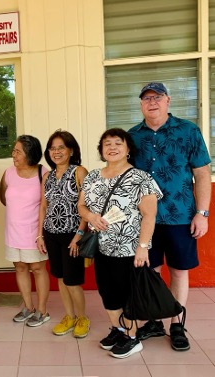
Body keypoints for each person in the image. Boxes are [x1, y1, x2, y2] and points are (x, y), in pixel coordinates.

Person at [129, 82, 212, 351]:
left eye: (157, 97)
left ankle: (177, 324)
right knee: (150, 272)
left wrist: (202, 213)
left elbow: (201, 174)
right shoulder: (133, 136)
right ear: (141, 104)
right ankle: (153, 321)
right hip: (144, 220)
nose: (151, 102)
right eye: (146, 98)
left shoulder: (188, 131)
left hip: (180, 216)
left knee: (178, 272)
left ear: (168, 101)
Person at [78, 128, 162, 359]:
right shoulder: (93, 176)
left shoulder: (141, 178)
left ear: (127, 149)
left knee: (128, 295)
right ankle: (119, 329)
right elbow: (81, 207)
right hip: (101, 247)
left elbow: (149, 215)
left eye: (118, 143)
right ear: (101, 150)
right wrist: (90, 217)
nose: (112, 147)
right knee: (107, 292)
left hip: (128, 249)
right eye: (107, 144)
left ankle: (133, 338)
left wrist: (143, 247)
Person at [36, 130, 90, 337]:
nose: (56, 152)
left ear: (71, 150)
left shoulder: (79, 172)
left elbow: (86, 205)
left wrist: (79, 234)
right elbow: (43, 206)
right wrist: (40, 235)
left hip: (72, 235)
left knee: (73, 280)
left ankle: (83, 318)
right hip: (51, 234)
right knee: (59, 277)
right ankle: (69, 316)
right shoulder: (47, 176)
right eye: (52, 148)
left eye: (61, 147)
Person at [0, 135, 50, 327]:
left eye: (17, 151)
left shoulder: (43, 174)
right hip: (13, 230)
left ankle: (42, 310)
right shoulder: (8, 173)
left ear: (30, 154)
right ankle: (28, 307)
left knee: (37, 269)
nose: (13, 154)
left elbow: (46, 206)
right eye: (13, 150)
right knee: (20, 267)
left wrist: (40, 234)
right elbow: (4, 198)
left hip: (34, 232)